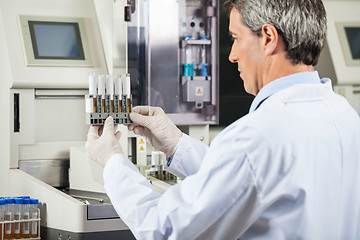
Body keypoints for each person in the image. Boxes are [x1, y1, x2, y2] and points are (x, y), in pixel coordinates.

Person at [86, 0, 360, 239]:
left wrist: (113, 162)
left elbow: (165, 230)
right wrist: (176, 145)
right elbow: (254, 180)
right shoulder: (344, 115)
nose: (232, 55)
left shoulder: (256, 136)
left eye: (236, 38)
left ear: (267, 37)